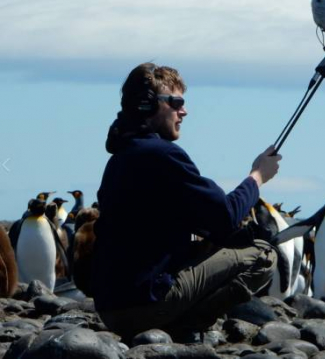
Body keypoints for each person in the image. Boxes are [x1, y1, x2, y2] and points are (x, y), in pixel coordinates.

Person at [91, 63, 282, 341]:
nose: (184, 111)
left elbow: (166, 229)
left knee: (215, 243)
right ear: (147, 105)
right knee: (263, 255)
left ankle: (168, 325)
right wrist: (257, 177)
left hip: (110, 309)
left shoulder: (120, 158)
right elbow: (226, 215)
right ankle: (183, 326)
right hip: (146, 306)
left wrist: (209, 239)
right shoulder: (162, 154)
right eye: (176, 102)